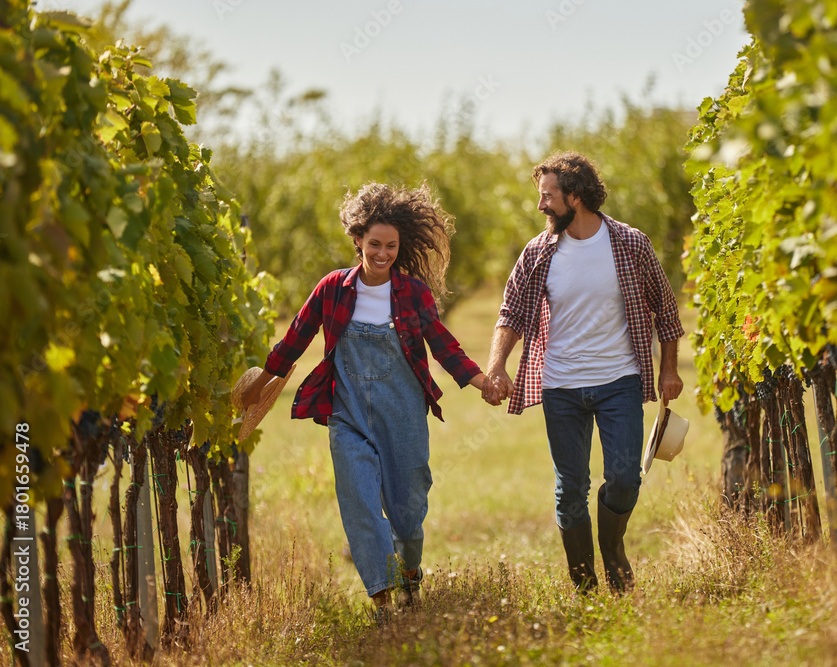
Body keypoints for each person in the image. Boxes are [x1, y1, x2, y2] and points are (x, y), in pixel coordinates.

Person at [241, 182, 488, 617]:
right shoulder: (333, 288)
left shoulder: (413, 293)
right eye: (374, 244)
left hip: (404, 413)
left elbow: (442, 343)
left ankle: (410, 575)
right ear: (357, 240)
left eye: (391, 246)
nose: (382, 253)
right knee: (359, 504)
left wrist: (480, 380)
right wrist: (267, 375)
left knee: (408, 510)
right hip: (348, 413)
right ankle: (383, 601)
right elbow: (297, 335)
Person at [483, 151, 684, 593]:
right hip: (561, 387)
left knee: (625, 477)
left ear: (575, 197)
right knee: (571, 487)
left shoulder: (631, 244)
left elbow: (666, 310)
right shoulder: (538, 252)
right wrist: (496, 366)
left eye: (547, 197)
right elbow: (510, 312)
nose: (541, 206)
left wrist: (669, 368)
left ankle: (612, 551)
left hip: (620, 381)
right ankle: (584, 583)